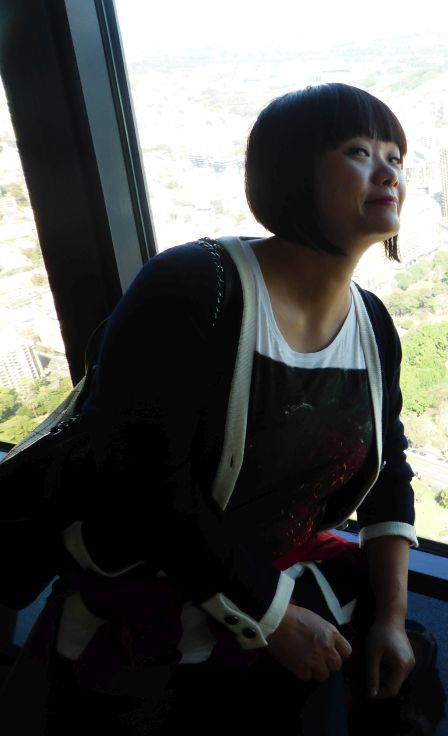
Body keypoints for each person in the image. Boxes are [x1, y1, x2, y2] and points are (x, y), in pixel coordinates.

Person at [31, 83, 418, 734]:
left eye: (396, 156)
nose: (388, 172)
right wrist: (271, 617)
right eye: (359, 150)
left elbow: (390, 472)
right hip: (143, 631)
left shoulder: (372, 324)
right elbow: (146, 490)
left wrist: (391, 620)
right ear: (290, 174)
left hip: (276, 601)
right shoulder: (195, 290)